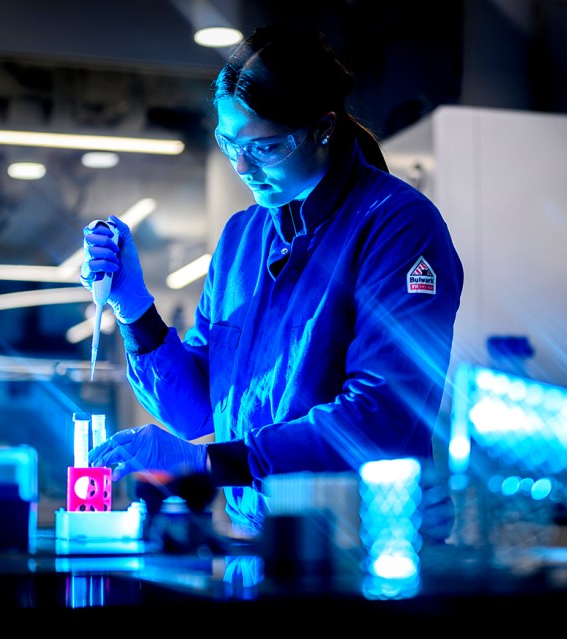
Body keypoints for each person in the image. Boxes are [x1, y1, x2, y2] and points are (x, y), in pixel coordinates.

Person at [81, 25, 463, 540]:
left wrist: (211, 463)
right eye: (228, 143)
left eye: (264, 148)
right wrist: (133, 307)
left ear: (322, 128)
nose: (241, 166)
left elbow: (381, 417)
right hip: (262, 539)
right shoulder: (243, 237)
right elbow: (199, 410)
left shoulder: (397, 225)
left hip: (365, 541)